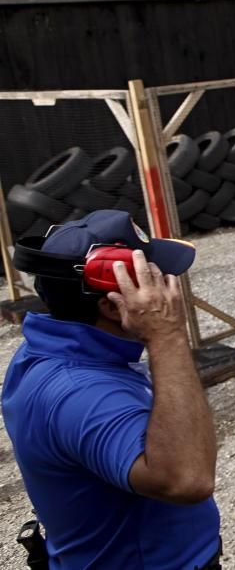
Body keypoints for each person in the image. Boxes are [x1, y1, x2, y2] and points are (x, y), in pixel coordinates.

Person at [3, 210, 221, 569]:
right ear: (111, 304)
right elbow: (188, 479)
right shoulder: (80, 393)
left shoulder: (50, 347)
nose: (166, 288)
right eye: (153, 280)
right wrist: (166, 335)